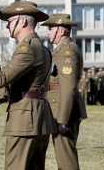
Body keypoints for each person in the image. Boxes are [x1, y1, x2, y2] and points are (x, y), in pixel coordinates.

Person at [0, 1, 57, 169]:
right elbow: (17, 88)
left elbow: (3, 78)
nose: (7, 26)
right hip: (39, 118)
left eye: (10, 21)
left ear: (22, 22)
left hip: (25, 120)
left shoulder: (27, 48)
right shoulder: (42, 48)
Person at [41, 13, 87, 170]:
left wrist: (62, 119)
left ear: (60, 31)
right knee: (64, 157)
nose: (48, 32)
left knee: (66, 160)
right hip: (60, 108)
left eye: (50, 28)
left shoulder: (67, 50)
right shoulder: (62, 48)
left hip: (63, 111)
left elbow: (68, 87)